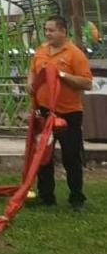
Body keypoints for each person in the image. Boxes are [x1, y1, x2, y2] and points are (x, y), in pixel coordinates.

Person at [28, 16, 92, 211]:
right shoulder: (41, 51)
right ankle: (46, 196)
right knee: (43, 155)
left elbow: (87, 83)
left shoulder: (75, 54)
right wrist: (30, 83)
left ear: (63, 31)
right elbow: (32, 70)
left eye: (51, 30)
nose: (47, 34)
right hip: (44, 112)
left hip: (68, 113)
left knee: (71, 156)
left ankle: (77, 198)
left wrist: (62, 75)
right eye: (46, 30)